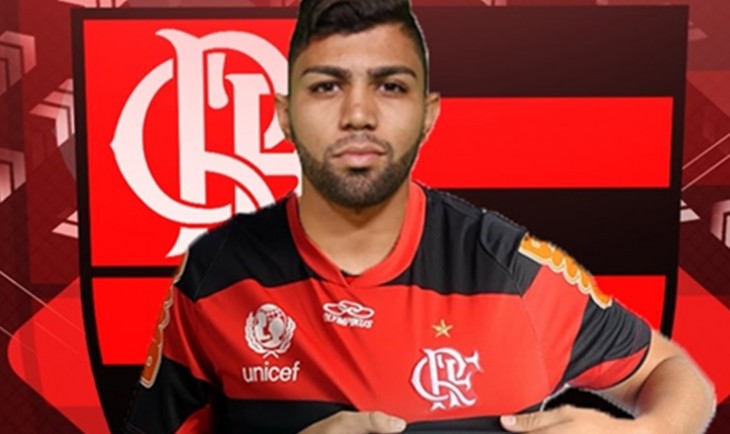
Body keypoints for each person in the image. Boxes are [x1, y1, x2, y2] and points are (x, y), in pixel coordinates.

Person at [125, 0, 716, 433]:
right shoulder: (214, 276)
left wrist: (647, 432)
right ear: (285, 114)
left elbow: (671, 371)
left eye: (390, 87)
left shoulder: (511, 269)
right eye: (327, 87)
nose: (359, 114)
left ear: (428, 114)